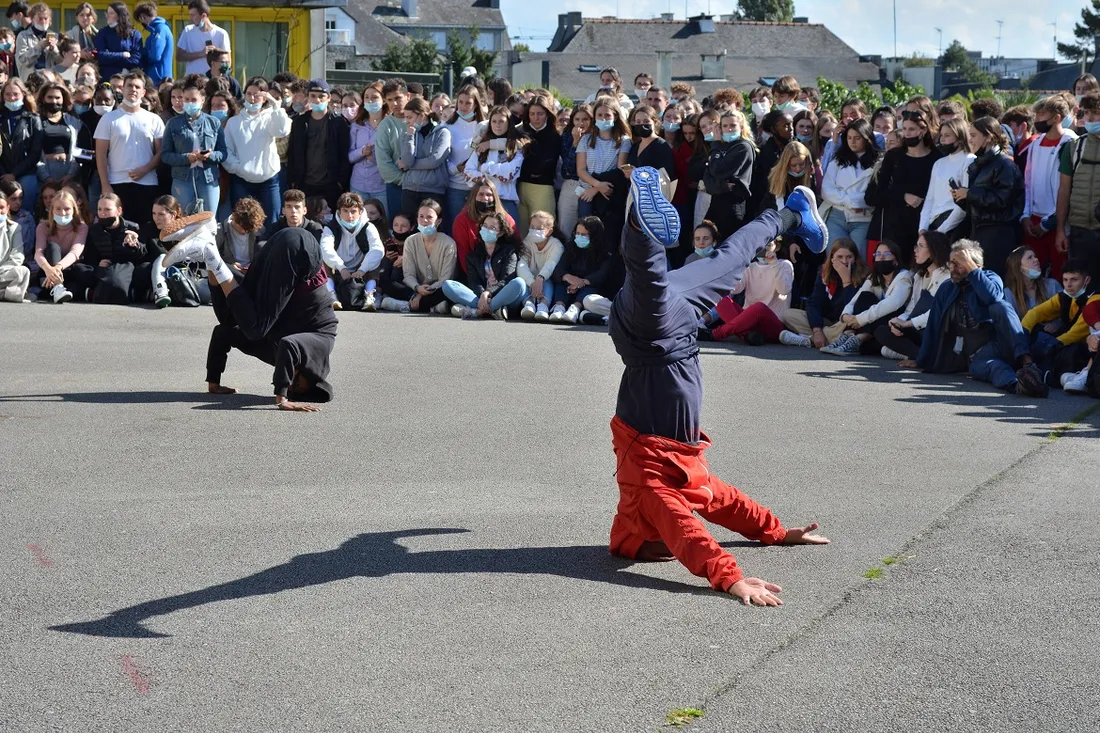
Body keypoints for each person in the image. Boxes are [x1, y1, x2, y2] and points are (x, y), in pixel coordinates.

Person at [607, 166, 829, 604]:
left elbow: (685, 531)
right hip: (680, 329)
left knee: (648, 280)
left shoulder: (650, 489)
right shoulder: (680, 472)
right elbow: (722, 501)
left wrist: (729, 577)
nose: (666, 550)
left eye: (658, 549)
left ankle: (640, 219)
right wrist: (776, 531)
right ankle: (791, 215)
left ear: (640, 537)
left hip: (653, 341)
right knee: (730, 258)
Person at [162, 213, 337, 411]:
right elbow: (290, 345)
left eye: (291, 387)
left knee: (230, 319)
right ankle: (211, 254)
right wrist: (282, 397)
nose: (292, 384)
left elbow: (224, 333)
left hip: (280, 249)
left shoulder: (274, 352)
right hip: (301, 254)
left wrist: (214, 381)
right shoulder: (322, 341)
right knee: (256, 329)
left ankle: (208, 245)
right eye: (298, 385)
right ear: (314, 378)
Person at [906, 238, 1049, 398]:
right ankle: (1021, 386)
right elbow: (934, 325)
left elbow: (993, 298)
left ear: (976, 265)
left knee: (1001, 306)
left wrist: (973, 270)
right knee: (994, 368)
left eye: (959, 263)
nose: (953, 267)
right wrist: (921, 360)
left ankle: (1028, 364)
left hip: (1004, 344)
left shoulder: (990, 277)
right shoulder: (947, 288)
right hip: (978, 356)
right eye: (951, 262)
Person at [864, 108, 941, 261]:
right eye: (904, 129)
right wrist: (903, 196)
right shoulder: (894, 156)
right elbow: (879, 193)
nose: (907, 133)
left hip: (924, 222)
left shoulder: (936, 158)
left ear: (923, 130)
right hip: (895, 223)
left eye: (912, 129)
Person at [952, 116, 1024, 277]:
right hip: (978, 232)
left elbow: (1002, 199)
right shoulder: (977, 165)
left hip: (999, 235)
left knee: (992, 281)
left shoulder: (1005, 165)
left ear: (989, 137)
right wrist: (961, 198)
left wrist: (970, 194)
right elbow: (975, 207)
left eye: (974, 135)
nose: (969, 140)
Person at [819, 240, 914, 356]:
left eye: (887, 254)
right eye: (878, 254)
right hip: (872, 327)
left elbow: (893, 303)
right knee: (865, 296)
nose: (882, 258)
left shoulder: (904, 277)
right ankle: (849, 336)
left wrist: (859, 319)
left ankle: (858, 339)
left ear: (896, 259)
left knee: (882, 311)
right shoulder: (874, 277)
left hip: (894, 324)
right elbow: (856, 298)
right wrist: (845, 316)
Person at [94, 71, 164, 225]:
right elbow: (100, 154)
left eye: (137, 87)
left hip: (147, 183)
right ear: (123, 89)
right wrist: (105, 184)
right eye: (129, 86)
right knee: (119, 228)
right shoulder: (108, 119)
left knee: (144, 227)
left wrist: (145, 169)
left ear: (143, 92)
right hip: (116, 182)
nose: (133, 89)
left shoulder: (154, 119)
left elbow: (160, 152)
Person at [872, 230, 952, 360]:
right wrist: (898, 323)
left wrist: (907, 324)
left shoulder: (947, 277)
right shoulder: (918, 276)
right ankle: (921, 355)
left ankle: (922, 357)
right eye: (916, 246)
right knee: (882, 334)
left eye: (920, 246)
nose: (915, 250)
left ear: (934, 250)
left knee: (886, 348)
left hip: (934, 330)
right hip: (917, 328)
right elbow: (911, 309)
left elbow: (937, 313)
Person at [1019, 96, 1075, 281]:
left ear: (1056, 117)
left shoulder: (1070, 143)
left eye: (1042, 114)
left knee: (1061, 275)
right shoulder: (1035, 144)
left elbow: (1068, 188)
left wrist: (1050, 222)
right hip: (1033, 222)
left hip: (1058, 223)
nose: (1037, 119)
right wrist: (1026, 215)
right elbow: (1028, 182)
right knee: (1032, 275)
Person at [699, 238, 795, 345]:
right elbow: (735, 290)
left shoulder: (784, 265)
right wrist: (739, 266)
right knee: (720, 298)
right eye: (761, 246)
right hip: (748, 323)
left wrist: (773, 264)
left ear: (777, 247)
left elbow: (784, 290)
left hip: (773, 323)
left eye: (768, 245)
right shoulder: (750, 267)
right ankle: (747, 334)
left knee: (759, 307)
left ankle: (716, 334)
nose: (764, 249)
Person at [1019, 258, 1100, 384]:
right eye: (1065, 280)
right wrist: (1022, 333)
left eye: (1074, 280)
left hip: (1086, 350)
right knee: (1032, 333)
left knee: (1047, 346)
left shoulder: (1095, 300)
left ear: (1087, 280)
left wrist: (1050, 346)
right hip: (1067, 344)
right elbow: (1035, 313)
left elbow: (1074, 334)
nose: (1068, 285)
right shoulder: (1065, 296)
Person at [441, 210, 527, 320]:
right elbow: (474, 282)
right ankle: (493, 310)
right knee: (447, 285)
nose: (487, 230)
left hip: (504, 296)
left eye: (492, 228)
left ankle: (478, 311)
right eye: (485, 226)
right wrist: (482, 294)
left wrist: (488, 293)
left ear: (500, 233)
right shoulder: (473, 255)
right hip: (480, 297)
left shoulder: (509, 252)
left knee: (519, 283)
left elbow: (506, 279)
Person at [161, 77, 225, 215]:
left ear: (203, 100)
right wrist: (186, 158)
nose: (189, 103)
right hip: (182, 179)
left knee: (209, 219)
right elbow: (165, 155)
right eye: (186, 100)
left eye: (193, 100)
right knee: (184, 221)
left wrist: (210, 155)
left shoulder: (214, 123)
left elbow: (223, 153)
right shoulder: (173, 124)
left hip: (208, 178)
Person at [1055, 92, 1100, 282]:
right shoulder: (1073, 148)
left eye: (1096, 112)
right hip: (1079, 232)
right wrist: (1060, 231)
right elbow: (1064, 191)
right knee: (1079, 290)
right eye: (1087, 112)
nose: (1089, 118)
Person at [288, 78, 350, 213]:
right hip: (305, 183)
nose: (317, 100)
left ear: (328, 98)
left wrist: (340, 182)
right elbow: (293, 152)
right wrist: (294, 180)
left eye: (321, 96)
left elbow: (345, 154)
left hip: (331, 184)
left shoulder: (339, 123)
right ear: (308, 98)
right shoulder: (299, 122)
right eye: (313, 96)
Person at [820, 118, 878, 255]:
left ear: (867, 138)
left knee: (859, 262)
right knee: (836, 259)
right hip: (837, 217)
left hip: (864, 219)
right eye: (849, 137)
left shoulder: (878, 162)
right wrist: (849, 201)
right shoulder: (838, 159)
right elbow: (826, 190)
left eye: (857, 138)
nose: (852, 141)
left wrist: (858, 202)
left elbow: (875, 193)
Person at [319, 191, 384, 311]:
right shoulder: (330, 228)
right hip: (338, 270)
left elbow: (377, 249)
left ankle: (369, 295)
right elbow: (325, 248)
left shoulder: (368, 227)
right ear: (339, 212)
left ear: (360, 212)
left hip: (361, 270)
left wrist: (362, 269)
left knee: (375, 260)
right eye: (345, 211)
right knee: (323, 261)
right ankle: (331, 295)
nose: (349, 216)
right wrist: (341, 267)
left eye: (353, 211)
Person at [576, 96, 630, 229]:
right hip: (586, 192)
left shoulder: (624, 141)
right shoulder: (586, 140)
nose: (603, 118)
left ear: (615, 116)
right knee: (586, 231)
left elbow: (620, 169)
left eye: (607, 115)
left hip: (609, 191)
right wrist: (596, 185)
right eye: (599, 115)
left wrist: (598, 189)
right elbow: (581, 169)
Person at [465, 104, 525, 223]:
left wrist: (484, 167)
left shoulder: (515, 148)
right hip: (482, 202)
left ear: (508, 123)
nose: (497, 125)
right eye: (494, 121)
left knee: (510, 236)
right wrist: (489, 180)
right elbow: (468, 172)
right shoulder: (481, 147)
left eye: (501, 121)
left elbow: (509, 173)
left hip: (506, 201)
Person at [81, 192, 144, 304]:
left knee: (145, 269)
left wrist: (134, 245)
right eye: (100, 209)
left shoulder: (132, 228)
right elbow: (89, 257)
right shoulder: (94, 230)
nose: (102, 214)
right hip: (103, 267)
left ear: (118, 211)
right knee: (79, 269)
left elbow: (142, 254)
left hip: (125, 267)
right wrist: (98, 264)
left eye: (107, 210)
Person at [919, 117, 974, 241]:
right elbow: (930, 198)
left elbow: (963, 206)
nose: (942, 139)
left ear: (960, 138)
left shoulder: (969, 160)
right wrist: (922, 228)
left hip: (953, 225)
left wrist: (942, 230)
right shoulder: (939, 163)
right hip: (934, 223)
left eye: (947, 135)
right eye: (941, 135)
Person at [548, 215, 611, 323]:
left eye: (584, 234)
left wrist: (583, 282)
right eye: (577, 233)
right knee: (561, 282)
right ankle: (559, 307)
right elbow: (559, 268)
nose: (579, 237)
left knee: (590, 288)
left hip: (589, 286)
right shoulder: (570, 247)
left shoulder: (604, 253)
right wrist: (567, 277)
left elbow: (602, 275)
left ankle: (575, 309)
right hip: (570, 286)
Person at [703, 110, 755, 238]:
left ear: (741, 127)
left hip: (733, 204)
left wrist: (715, 144)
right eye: (725, 126)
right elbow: (707, 177)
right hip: (716, 201)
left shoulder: (743, 147)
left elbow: (717, 171)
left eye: (733, 125)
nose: (729, 129)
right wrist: (720, 186)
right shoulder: (722, 147)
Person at [440, 84, 485, 230]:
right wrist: (455, 168)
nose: (464, 106)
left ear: (476, 105)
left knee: (479, 229)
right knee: (456, 228)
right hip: (455, 187)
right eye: (461, 102)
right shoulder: (447, 127)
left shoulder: (484, 127)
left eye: (468, 103)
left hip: (479, 186)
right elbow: (441, 159)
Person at [397, 96, 450, 220]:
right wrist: (410, 137)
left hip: (433, 190)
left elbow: (435, 160)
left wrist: (410, 165)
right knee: (410, 228)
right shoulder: (408, 134)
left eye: (409, 117)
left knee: (430, 228)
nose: (406, 121)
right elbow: (406, 160)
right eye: (405, 117)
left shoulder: (442, 132)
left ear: (422, 116)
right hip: (409, 189)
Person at [450, 177, 514, 278]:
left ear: (494, 197)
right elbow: (463, 254)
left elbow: (515, 246)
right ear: (474, 196)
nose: (485, 198)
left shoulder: (506, 218)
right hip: (474, 275)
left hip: (502, 274)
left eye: (489, 195)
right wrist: (477, 281)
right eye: (481, 194)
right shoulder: (461, 220)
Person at [33, 188, 88, 303]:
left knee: (78, 281)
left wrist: (57, 268)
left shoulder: (82, 227)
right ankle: (57, 287)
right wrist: (48, 269)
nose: (62, 213)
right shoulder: (43, 227)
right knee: (53, 246)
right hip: (47, 270)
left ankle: (54, 289)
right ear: (52, 211)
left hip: (67, 270)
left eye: (67, 209)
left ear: (74, 210)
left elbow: (75, 252)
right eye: (58, 209)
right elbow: (38, 252)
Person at [401, 198, 455, 314]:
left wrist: (422, 294)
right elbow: (408, 274)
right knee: (393, 285)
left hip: (437, 289)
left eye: (429, 217)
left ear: (438, 221)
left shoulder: (448, 243)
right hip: (416, 288)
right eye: (421, 216)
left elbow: (446, 278)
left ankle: (407, 305)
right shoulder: (410, 241)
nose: (424, 220)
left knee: (448, 289)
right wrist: (417, 288)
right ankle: (432, 307)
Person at [517, 94, 559, 237]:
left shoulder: (554, 134)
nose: (536, 117)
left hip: (542, 188)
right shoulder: (520, 131)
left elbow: (546, 163)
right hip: (520, 187)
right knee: (522, 233)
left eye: (540, 114)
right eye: (532, 114)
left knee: (541, 232)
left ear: (547, 114)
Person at [35, 82, 92, 185]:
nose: (54, 101)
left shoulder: (75, 123)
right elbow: (33, 153)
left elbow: (83, 152)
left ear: (63, 99)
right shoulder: (35, 122)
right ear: (43, 99)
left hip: (70, 170)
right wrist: (46, 177)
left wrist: (71, 174)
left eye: (57, 97)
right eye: (50, 97)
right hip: (45, 171)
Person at [1, 76, 41, 207]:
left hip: (25, 171)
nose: (12, 98)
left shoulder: (33, 119)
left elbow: (35, 153)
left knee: (28, 189)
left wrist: (14, 173)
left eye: (16, 94)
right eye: (8, 94)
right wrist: (4, 174)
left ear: (23, 94)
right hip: (2, 171)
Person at [517, 209, 563, 322]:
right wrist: (532, 282)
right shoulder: (527, 242)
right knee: (522, 281)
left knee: (547, 281)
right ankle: (529, 303)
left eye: (539, 228)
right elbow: (521, 264)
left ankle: (543, 305)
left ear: (549, 231)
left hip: (546, 279)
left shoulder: (556, 245)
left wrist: (540, 278)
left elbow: (551, 263)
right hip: (530, 281)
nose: (534, 231)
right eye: (532, 227)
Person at [347, 81, 388, 204]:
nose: (370, 100)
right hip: (358, 184)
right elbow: (349, 156)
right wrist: (362, 152)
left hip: (381, 186)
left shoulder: (389, 125)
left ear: (384, 100)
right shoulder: (356, 126)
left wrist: (374, 157)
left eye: (375, 97)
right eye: (366, 97)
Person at [557, 103, 591, 242]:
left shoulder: (597, 137)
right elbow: (567, 169)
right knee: (566, 228)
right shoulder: (566, 136)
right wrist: (576, 143)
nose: (581, 123)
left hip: (590, 186)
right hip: (571, 184)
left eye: (585, 119)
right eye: (577, 119)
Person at [375, 78, 409, 221]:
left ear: (407, 96)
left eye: (398, 98)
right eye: (389, 100)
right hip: (397, 186)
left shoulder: (423, 120)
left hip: (424, 186)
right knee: (399, 229)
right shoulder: (385, 126)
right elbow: (384, 164)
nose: (394, 103)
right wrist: (408, 181)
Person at [1002, 245, 1061, 320]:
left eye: (1035, 256)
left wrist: (1057, 324)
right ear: (1019, 267)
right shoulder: (1009, 293)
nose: (1036, 259)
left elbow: (1065, 312)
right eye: (1030, 258)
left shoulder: (1052, 285)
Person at [176, 0, 229, 75]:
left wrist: (216, 55)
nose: (190, 18)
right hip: (193, 80)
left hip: (213, 82)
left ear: (203, 15)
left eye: (193, 15)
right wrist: (200, 54)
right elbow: (179, 56)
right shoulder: (188, 31)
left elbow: (228, 62)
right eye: (190, 15)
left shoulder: (221, 33)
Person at [214, 195, 264, 274]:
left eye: (248, 230)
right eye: (242, 227)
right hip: (229, 274)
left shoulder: (258, 229)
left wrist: (254, 265)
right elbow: (212, 259)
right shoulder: (219, 231)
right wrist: (229, 266)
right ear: (234, 216)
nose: (244, 231)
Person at [94, 3, 142, 80]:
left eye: (111, 13)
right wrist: (122, 55)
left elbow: (136, 60)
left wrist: (111, 57)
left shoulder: (134, 34)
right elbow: (101, 56)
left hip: (129, 78)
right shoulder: (103, 33)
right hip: (108, 78)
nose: (107, 16)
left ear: (121, 16)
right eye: (107, 13)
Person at [13, 2, 58, 82]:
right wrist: (38, 47)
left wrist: (54, 50)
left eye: (46, 18)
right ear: (32, 19)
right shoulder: (23, 36)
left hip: (49, 81)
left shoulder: (54, 36)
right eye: (40, 18)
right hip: (30, 81)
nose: (43, 21)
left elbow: (61, 63)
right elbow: (22, 61)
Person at [133, 2, 172, 87]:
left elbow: (155, 55)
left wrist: (142, 56)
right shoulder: (156, 31)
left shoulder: (160, 29)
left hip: (159, 78)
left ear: (142, 17)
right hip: (157, 77)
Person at [0, 190, 29, 302]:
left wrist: (1, 270)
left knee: (23, 271)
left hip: (4, 272)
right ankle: (6, 294)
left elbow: (17, 257)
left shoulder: (15, 228)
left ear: (7, 208)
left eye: (1, 207)